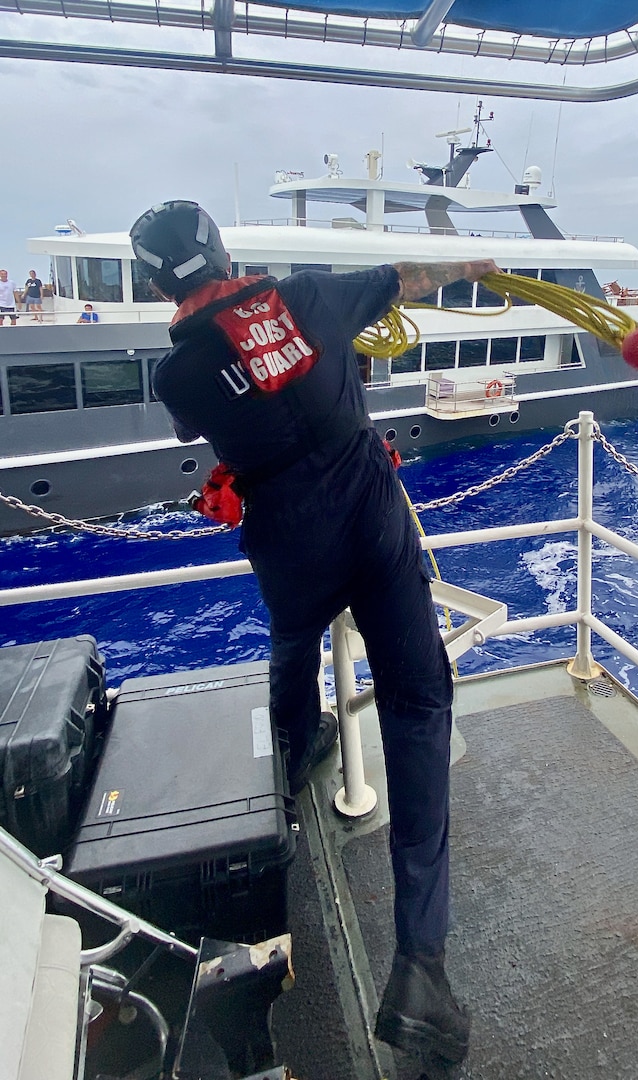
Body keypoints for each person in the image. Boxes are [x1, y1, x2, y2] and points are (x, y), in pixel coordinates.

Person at [130, 199, 499, 1067]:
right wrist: (470, 268)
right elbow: (408, 278)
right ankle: (420, 968)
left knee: (292, 640)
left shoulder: (177, 377)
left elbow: (211, 413)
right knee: (417, 704)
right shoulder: (307, 297)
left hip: (290, 538)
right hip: (372, 521)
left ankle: (295, 752)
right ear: (223, 249)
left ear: (154, 283)